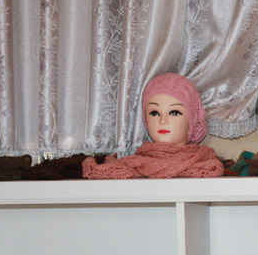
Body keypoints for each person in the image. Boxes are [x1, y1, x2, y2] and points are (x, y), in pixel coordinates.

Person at [82, 73, 223, 178]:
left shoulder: (206, 165)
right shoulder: (125, 166)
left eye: (174, 113)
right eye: (154, 113)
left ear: (192, 121)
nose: (163, 121)